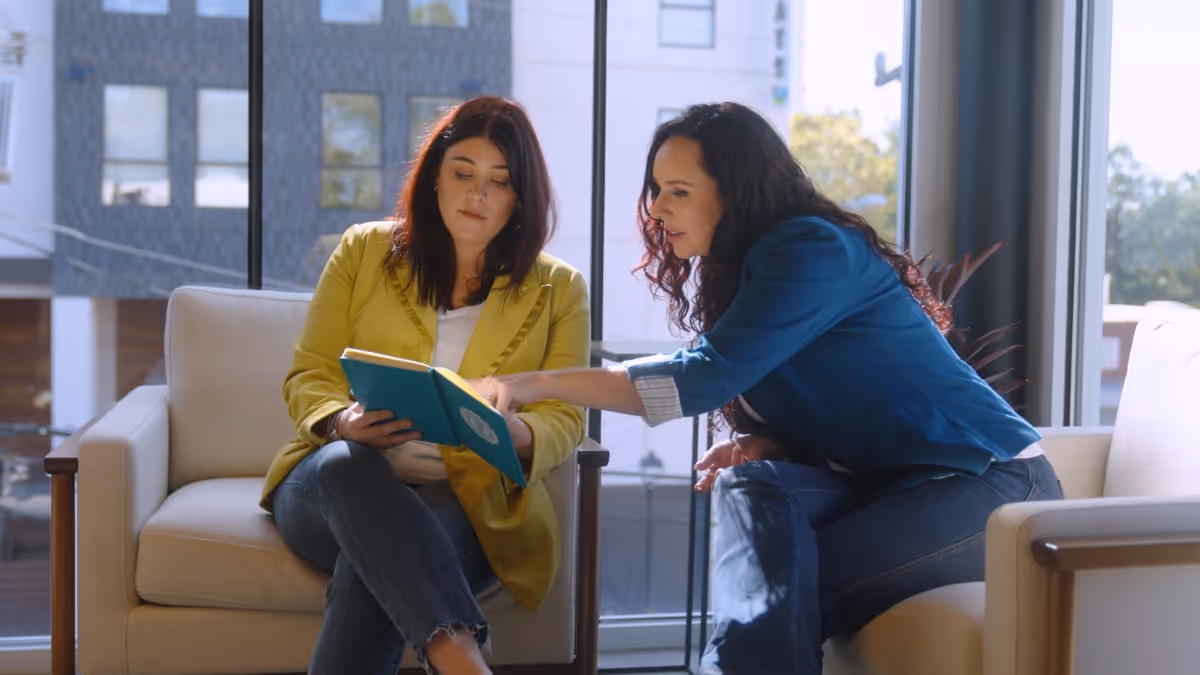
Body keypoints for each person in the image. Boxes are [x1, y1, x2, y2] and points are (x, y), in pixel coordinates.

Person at [472, 102, 1062, 674]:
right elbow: (834, 396)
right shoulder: (748, 266)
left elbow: (698, 379)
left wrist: (532, 384)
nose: (655, 209)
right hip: (896, 486)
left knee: (779, 586)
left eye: (679, 191)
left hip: (991, 484)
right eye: (655, 189)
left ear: (738, 191)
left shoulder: (811, 248)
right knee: (754, 488)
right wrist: (778, 448)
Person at [260, 96, 589, 675]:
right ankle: (460, 658)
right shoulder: (364, 251)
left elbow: (567, 417)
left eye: (499, 182)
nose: (477, 195)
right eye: (463, 173)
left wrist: (518, 432)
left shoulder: (559, 289)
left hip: (468, 501)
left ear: (520, 199)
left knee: (375, 569)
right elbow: (309, 374)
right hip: (333, 490)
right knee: (344, 464)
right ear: (434, 176)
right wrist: (343, 422)